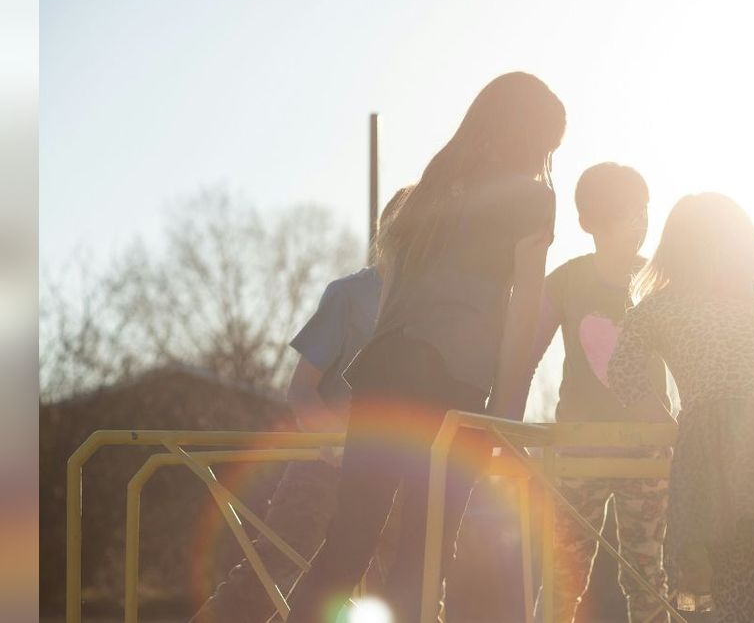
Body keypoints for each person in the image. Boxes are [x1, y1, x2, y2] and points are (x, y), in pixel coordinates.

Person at [285, 72, 565, 623]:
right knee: (427, 545)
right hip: (450, 382)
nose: (546, 161)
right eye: (548, 147)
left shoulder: (424, 195)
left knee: (350, 538)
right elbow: (524, 307)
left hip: (382, 375)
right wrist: (506, 410)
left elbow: (391, 300)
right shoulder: (532, 199)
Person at [608, 193, 754, 623]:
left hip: (723, 435)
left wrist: (669, 428)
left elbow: (622, 370)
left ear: (674, 249)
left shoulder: (660, 307)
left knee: (736, 567)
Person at [189, 187, 411, 623]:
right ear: (389, 232)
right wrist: (333, 441)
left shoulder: (424, 306)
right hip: (324, 463)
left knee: (405, 581)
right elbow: (302, 389)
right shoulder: (349, 295)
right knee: (273, 567)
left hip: (393, 467)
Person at [516, 163, 674, 622]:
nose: (637, 224)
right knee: (564, 574)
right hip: (579, 449)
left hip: (646, 451)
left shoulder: (658, 282)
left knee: (647, 574)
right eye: (623, 214)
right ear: (587, 222)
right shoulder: (568, 281)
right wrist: (511, 425)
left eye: (643, 211)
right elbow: (525, 356)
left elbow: (686, 356)